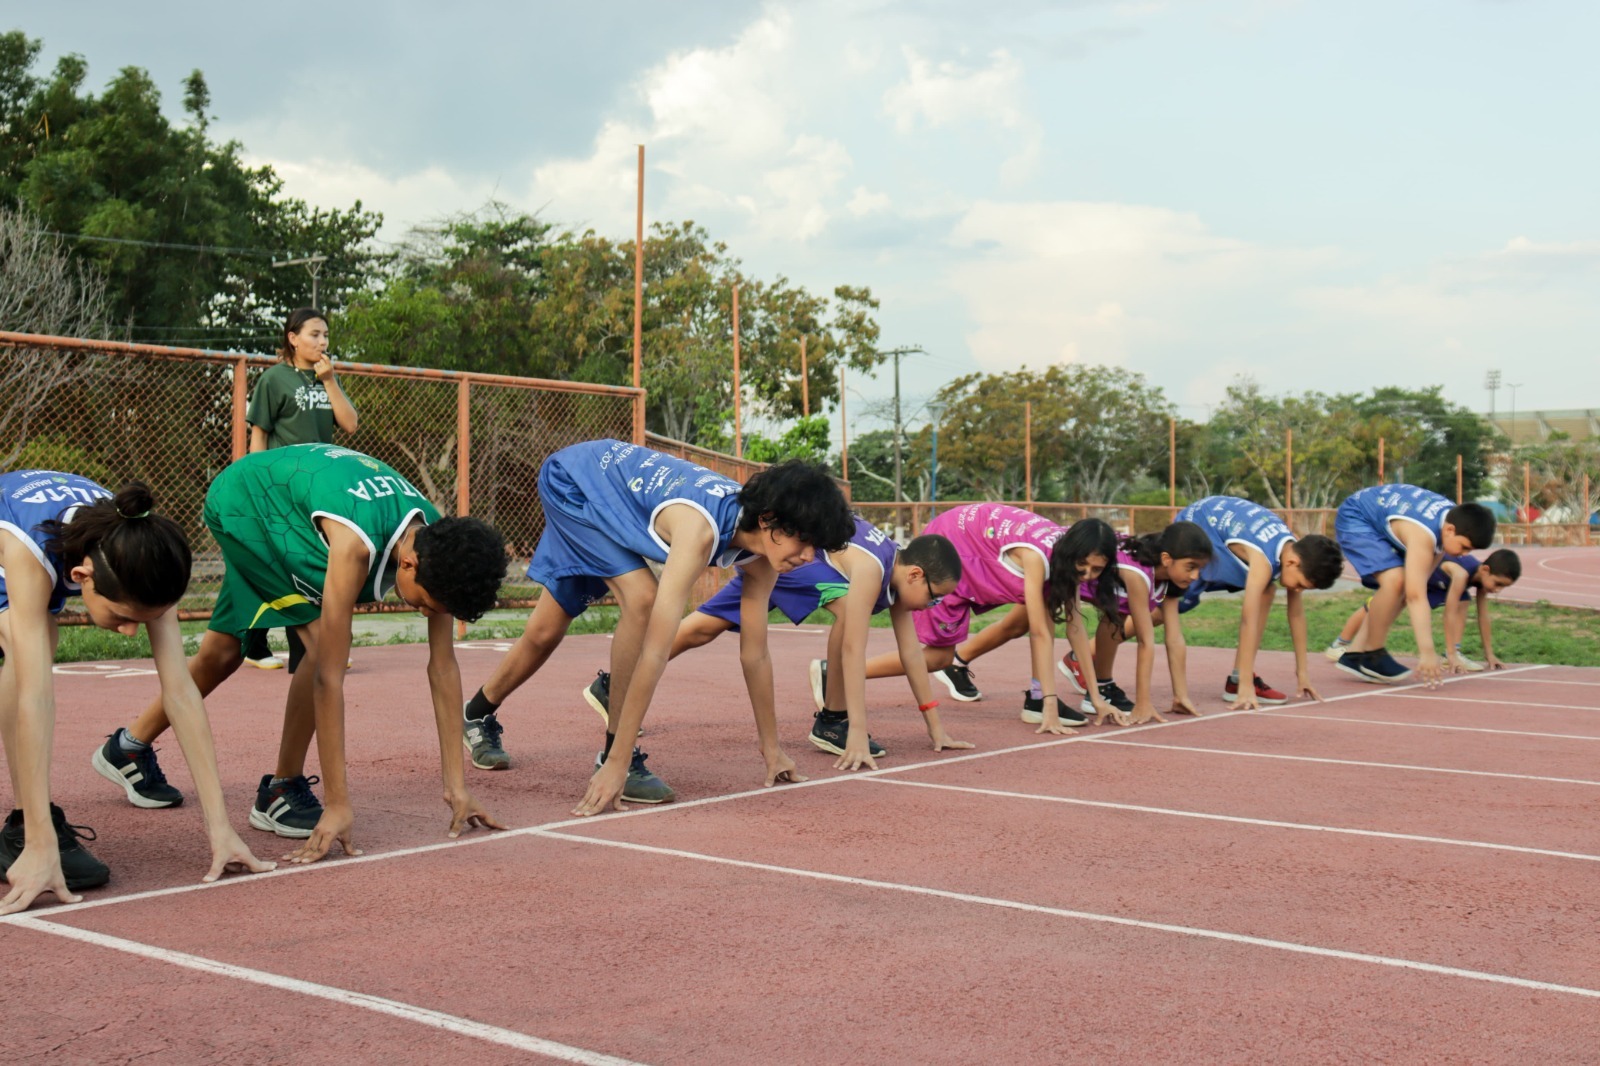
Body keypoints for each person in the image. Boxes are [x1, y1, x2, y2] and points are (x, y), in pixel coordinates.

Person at [101, 444, 507, 864]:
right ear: (408, 563)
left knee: (223, 652)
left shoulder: (439, 542)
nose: (425, 614)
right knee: (322, 650)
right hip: (245, 504)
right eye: (423, 605)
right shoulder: (354, 546)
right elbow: (328, 678)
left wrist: (456, 787)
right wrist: (338, 804)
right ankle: (281, 787)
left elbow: (442, 668)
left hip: (283, 504)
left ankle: (128, 747)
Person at [458, 439, 854, 814]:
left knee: (546, 631)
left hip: (616, 501)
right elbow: (656, 650)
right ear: (769, 520)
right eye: (803, 542)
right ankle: (618, 758)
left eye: (814, 547)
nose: (807, 556)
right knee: (642, 598)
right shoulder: (698, 530)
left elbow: (755, 653)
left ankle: (476, 713)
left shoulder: (763, 553)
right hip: (574, 483)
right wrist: (616, 761)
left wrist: (773, 749)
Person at [1, 473, 272, 914]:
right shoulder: (29, 550)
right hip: (8, 537)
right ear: (81, 576)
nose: (131, 633)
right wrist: (40, 844)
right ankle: (28, 829)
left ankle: (31, 826)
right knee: (28, 642)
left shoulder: (139, 547)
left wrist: (220, 826)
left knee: (32, 638)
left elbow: (181, 692)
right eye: (123, 618)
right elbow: (36, 697)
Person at [648, 523, 967, 771]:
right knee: (850, 613)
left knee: (703, 629)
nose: (932, 606)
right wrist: (858, 728)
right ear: (915, 574)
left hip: (781, 559)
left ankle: (617, 684)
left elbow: (911, 652)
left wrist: (935, 728)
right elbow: (853, 648)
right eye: (935, 596)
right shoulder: (873, 570)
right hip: (797, 556)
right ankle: (833, 721)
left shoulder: (896, 571)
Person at [862, 507, 1129, 732]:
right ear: (1072, 554)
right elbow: (1039, 634)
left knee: (1039, 613)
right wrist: (1051, 705)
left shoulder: (1068, 555)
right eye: (1083, 566)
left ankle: (1037, 698)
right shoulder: (1037, 557)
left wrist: (1096, 697)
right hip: (953, 541)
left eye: (1097, 569)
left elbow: (1076, 628)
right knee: (939, 657)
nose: (1087, 575)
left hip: (980, 541)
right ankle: (841, 672)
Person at [241, 308, 359, 673]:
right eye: (314, 334)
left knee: (313, 563)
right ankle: (263, 646)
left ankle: (311, 649)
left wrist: (330, 381)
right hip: (281, 486)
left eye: (325, 335)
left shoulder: (326, 378)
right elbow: (258, 435)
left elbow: (351, 425)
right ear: (292, 338)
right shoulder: (275, 379)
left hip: (320, 486)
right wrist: (254, 485)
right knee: (287, 563)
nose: (322, 342)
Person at [1166, 496, 1346, 709]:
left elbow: (1296, 615)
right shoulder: (1263, 562)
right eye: (1301, 585)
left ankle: (1237, 677)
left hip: (1217, 524)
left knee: (1267, 590)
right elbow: (1247, 620)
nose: (1298, 590)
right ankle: (1240, 681)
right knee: (1162, 609)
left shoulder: (1294, 548)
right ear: (1292, 563)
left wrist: (1303, 673)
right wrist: (1246, 688)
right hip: (1195, 525)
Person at [1330, 485, 1495, 687]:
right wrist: (1427, 652)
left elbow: (1418, 586)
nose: (1464, 555)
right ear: (1450, 530)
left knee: (1407, 583)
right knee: (1395, 580)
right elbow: (1416, 597)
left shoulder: (1452, 522)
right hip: (1356, 517)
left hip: (1382, 513)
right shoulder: (1424, 534)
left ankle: (1355, 653)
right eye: (1465, 547)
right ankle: (1372, 653)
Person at [1068, 522, 1212, 725]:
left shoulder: (1168, 580)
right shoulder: (1139, 576)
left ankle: (1101, 685)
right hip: (1062, 560)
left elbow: (1175, 638)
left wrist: (1181, 696)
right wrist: (1143, 703)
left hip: (1097, 582)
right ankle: (1040, 695)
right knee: (1020, 625)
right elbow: (1145, 642)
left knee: (1115, 617)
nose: (1195, 575)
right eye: (1191, 567)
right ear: (1166, 559)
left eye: (1200, 568)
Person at [1327, 549, 1519, 673]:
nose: (1497, 590)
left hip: (1436, 584)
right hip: (1419, 572)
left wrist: (1490, 654)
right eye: (1497, 583)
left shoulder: (1480, 580)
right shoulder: (1461, 573)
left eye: (1503, 587)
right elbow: (1448, 614)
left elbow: (1483, 616)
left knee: (1463, 600)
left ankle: (1453, 652)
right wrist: (1451, 655)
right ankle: (1339, 644)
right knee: (1378, 605)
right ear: (1485, 569)